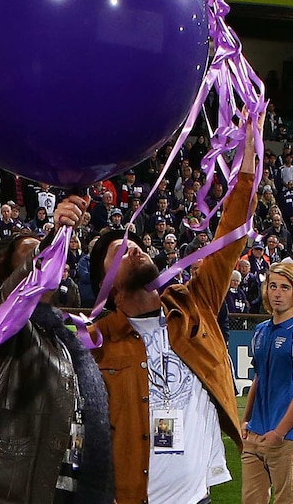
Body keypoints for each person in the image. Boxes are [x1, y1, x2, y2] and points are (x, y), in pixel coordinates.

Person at [88, 115, 258, 504]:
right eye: (120, 253)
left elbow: (231, 232)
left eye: (131, 242)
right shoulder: (100, 343)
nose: (134, 247)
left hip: (197, 497)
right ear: (108, 288)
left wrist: (250, 149)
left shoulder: (193, 304)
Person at [0, 198, 114, 504]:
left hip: (64, 490)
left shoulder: (64, 339)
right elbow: (9, 301)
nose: (50, 258)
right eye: (33, 253)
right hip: (9, 492)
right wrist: (53, 236)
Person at [241, 260, 293, 504]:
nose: (277, 293)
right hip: (255, 434)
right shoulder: (261, 331)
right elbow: (258, 378)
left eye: (285, 287)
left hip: (285, 438)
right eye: (272, 286)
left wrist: (279, 432)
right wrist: (245, 420)